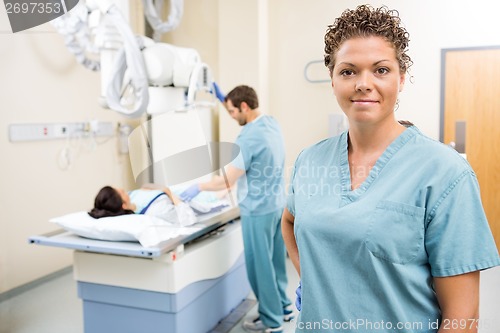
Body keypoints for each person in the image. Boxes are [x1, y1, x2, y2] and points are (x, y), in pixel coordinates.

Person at [282, 5, 500, 333]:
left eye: (381, 70)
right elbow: (289, 221)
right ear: (332, 80)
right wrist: (314, 283)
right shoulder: (310, 160)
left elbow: (462, 318)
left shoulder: (444, 174)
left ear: (401, 78)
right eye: (348, 71)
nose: (363, 83)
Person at [180, 85, 293, 333]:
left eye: (232, 111)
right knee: (275, 262)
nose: (230, 115)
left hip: (257, 210)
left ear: (243, 107)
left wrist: (198, 186)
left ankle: (272, 321)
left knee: (259, 266)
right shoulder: (271, 123)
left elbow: (227, 180)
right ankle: (283, 306)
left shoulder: (248, 137)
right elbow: (242, 112)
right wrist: (225, 100)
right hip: (277, 206)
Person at [89, 184, 197, 226]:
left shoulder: (131, 196)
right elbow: (187, 219)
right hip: (189, 201)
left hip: (174, 190)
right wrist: (169, 193)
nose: (122, 189)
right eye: (121, 193)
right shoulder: (156, 210)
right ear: (124, 206)